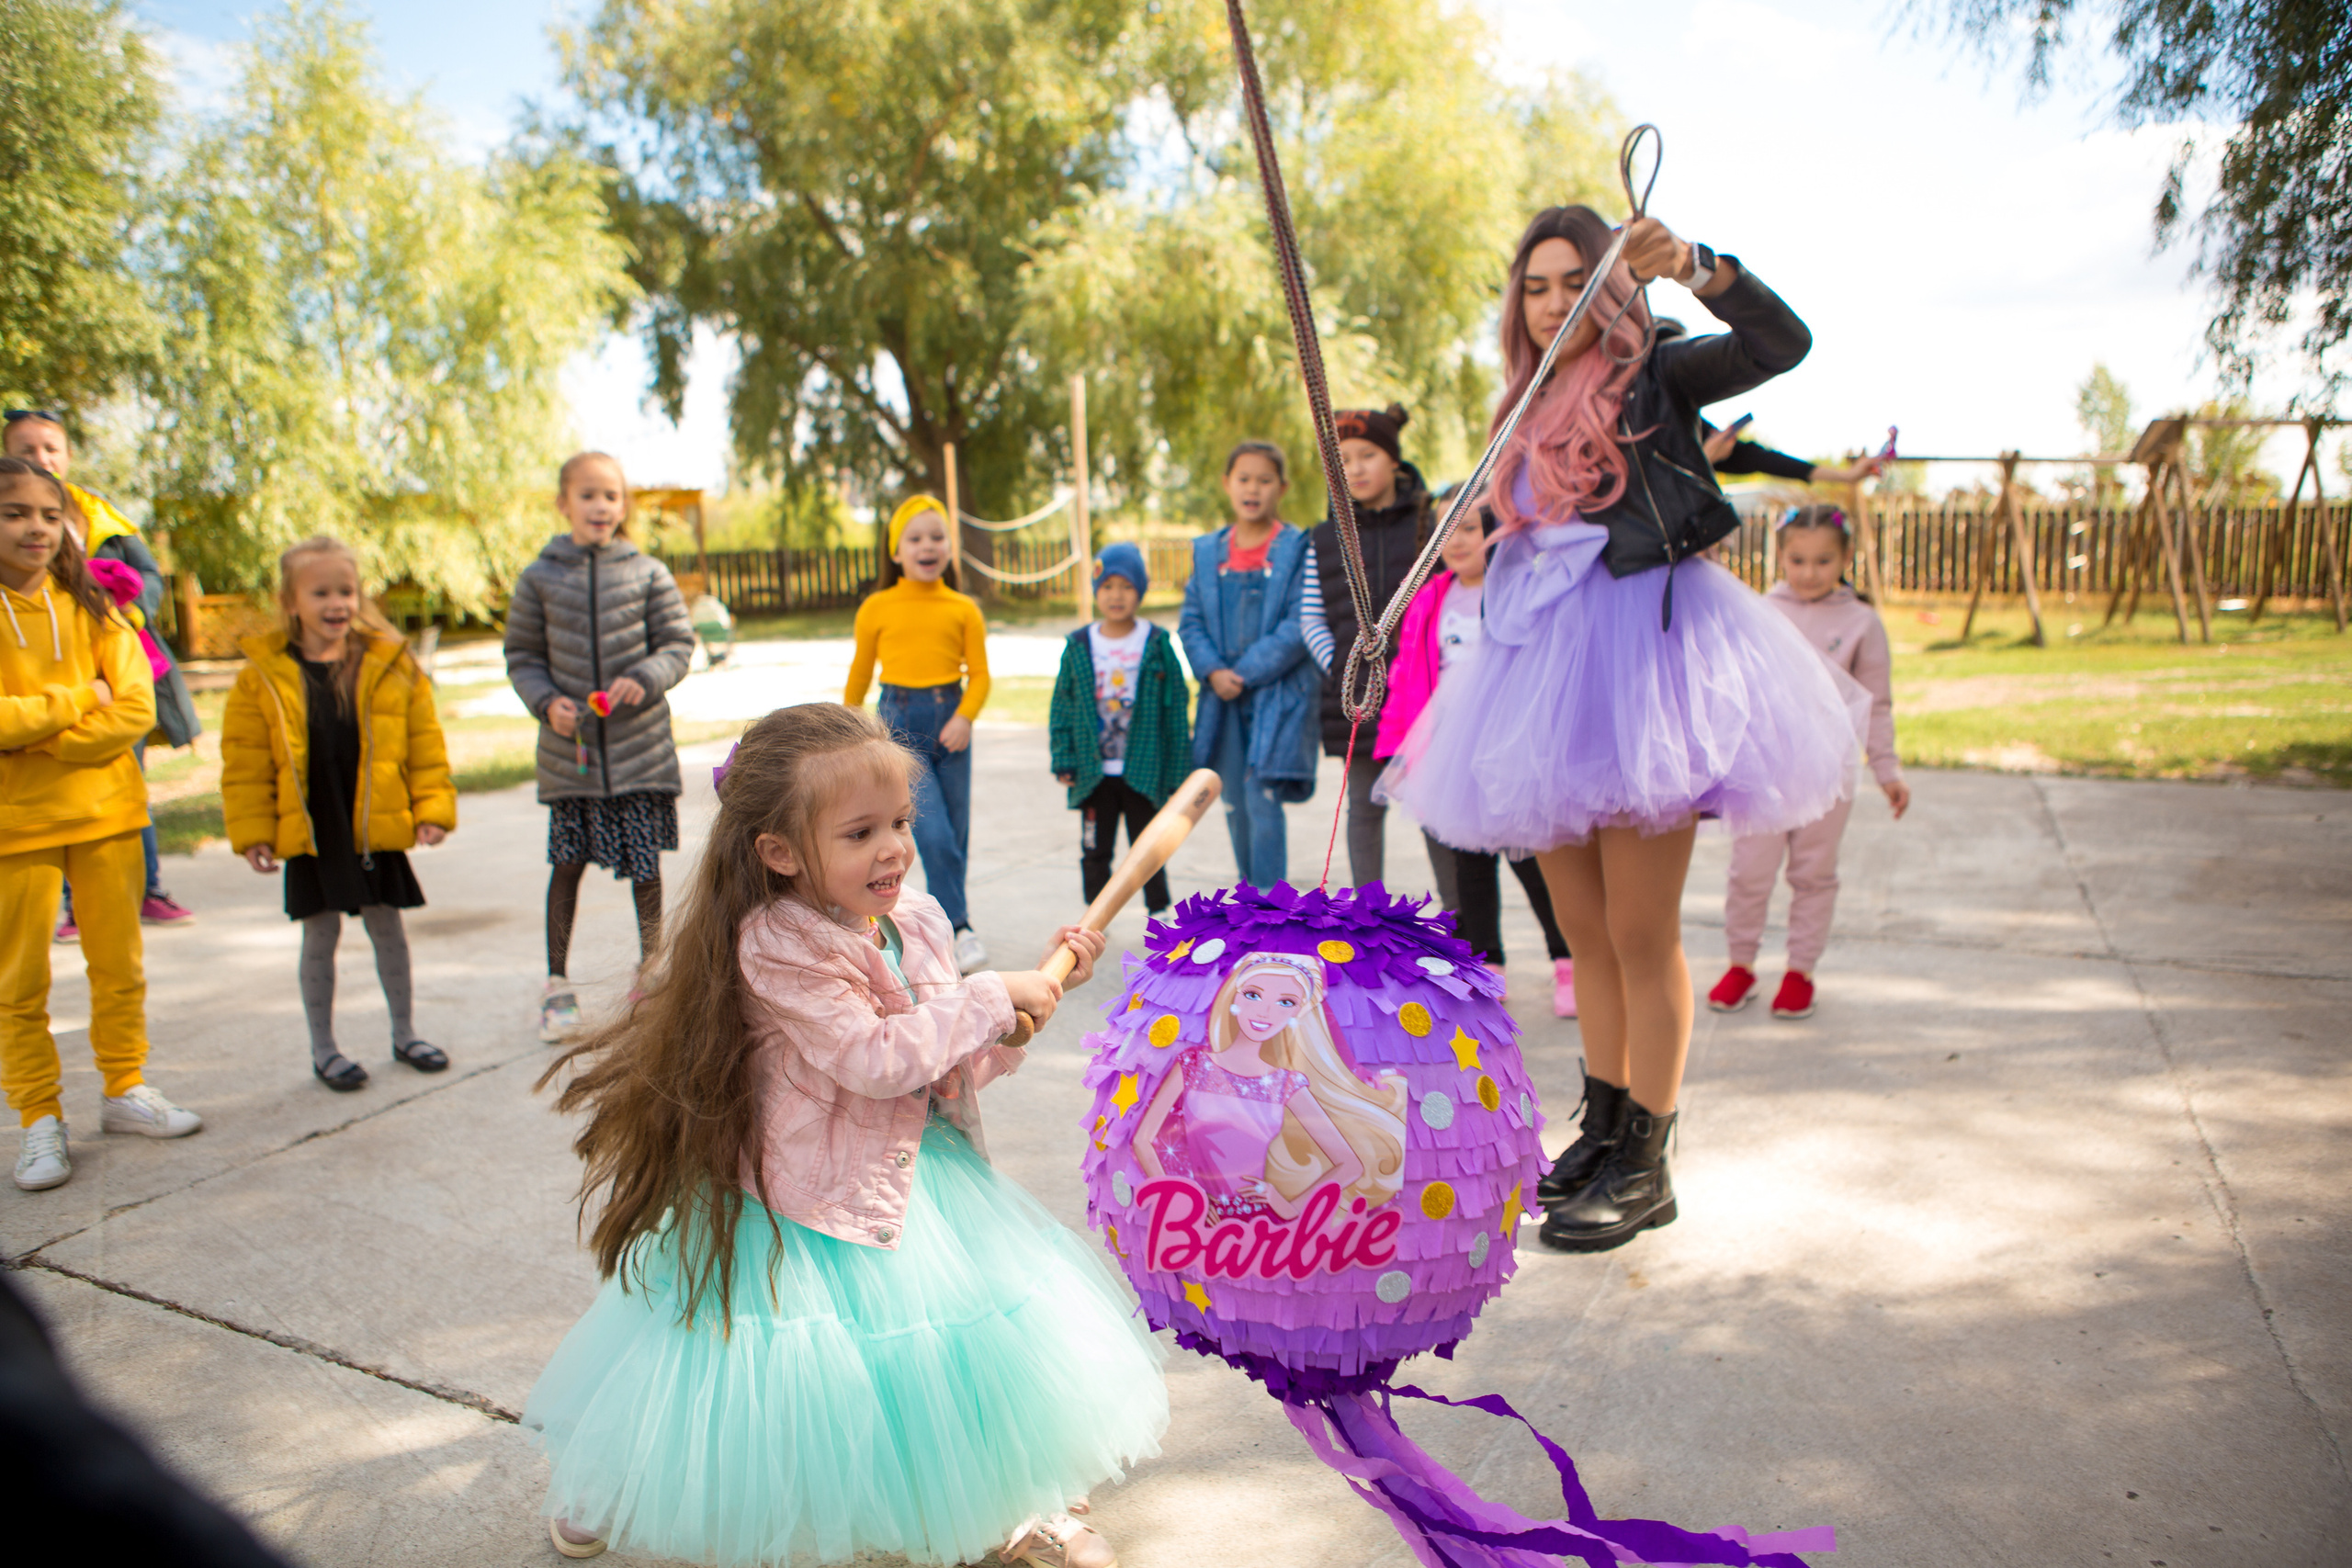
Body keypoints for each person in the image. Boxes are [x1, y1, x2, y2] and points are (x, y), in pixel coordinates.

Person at [523, 703, 1164, 1568]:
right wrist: (986, 997)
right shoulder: (778, 941)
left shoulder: (920, 922)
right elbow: (872, 1057)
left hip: (908, 1172)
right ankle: (624, 1481)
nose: (893, 847)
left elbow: (939, 1065)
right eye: (860, 832)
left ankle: (1010, 1501)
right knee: (735, 1361)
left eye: (900, 821)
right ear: (781, 852)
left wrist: (1012, 1022)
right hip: (801, 1190)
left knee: (958, 1346)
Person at [1376, 207, 1855, 1252]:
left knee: (1641, 933)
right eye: (1535, 286)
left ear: (1611, 288)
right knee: (1584, 932)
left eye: (1572, 282)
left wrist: (1695, 269)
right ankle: (1601, 1123)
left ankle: (1649, 1158)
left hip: (1647, 662)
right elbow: (1518, 530)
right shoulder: (1521, 404)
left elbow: (1782, 346)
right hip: (1538, 670)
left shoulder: (1660, 373)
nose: (1552, 304)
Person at [0, 456, 201, 1193]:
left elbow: (135, 708)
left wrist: (38, 736)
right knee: (19, 983)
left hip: (109, 812)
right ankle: (37, 1118)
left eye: (50, 516)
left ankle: (125, 1087)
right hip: (15, 825)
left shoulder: (98, 605)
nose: (36, 529)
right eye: (16, 513)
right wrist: (76, 700)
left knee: (119, 966)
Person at [221, 536, 458, 1090]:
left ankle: (405, 1034)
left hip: (374, 822)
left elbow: (425, 744)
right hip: (313, 826)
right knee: (320, 936)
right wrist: (254, 832)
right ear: (290, 601)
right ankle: (324, 1049)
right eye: (321, 591)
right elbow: (245, 761)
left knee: (388, 929)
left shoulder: (389, 664)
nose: (337, 602)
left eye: (346, 591)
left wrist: (432, 809)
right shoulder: (262, 676)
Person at [505, 452, 695, 1043]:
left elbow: (677, 644)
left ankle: (653, 973)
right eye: (588, 495)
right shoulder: (539, 578)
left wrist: (646, 676)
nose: (601, 506)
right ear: (564, 503)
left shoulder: (647, 573)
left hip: (640, 753)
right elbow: (523, 656)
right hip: (574, 759)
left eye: (611, 496)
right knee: (567, 868)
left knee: (646, 871)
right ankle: (556, 984)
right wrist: (547, 703)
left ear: (624, 505)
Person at [5, 411, 202, 936]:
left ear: (67, 456)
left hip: (114, 669)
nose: (41, 458)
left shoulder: (102, 516)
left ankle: (147, 888)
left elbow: (148, 577)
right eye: (26, 449)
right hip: (48, 684)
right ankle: (75, 903)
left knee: (123, 779)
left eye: (51, 448)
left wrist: (125, 617)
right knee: (58, 793)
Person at [1710, 505, 1909, 1021]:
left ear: (1845, 558)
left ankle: (1800, 971)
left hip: (1830, 775)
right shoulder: (1759, 610)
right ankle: (1740, 964)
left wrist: (1886, 769)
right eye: (1797, 560)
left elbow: (1877, 702)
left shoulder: (1863, 622)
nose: (1808, 572)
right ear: (1781, 556)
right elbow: (1731, 688)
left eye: (1823, 561)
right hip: (1763, 772)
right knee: (1749, 872)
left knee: (1814, 873)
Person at [1375, 509, 1577, 1016]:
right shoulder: (1430, 598)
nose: (1458, 541)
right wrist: (1403, 745)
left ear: (1499, 535)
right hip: (1450, 742)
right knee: (1469, 862)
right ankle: (1488, 965)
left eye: (1470, 529)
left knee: (1530, 858)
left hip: (1509, 740)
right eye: (1447, 532)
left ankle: (1568, 960)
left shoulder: (1518, 589)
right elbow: (1409, 672)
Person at [1130, 950, 1407, 1221]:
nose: (1264, 1011)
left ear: (1299, 1013)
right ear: (1233, 997)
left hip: (1261, 1221)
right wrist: (1180, 1199)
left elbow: (1349, 1164)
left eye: (1286, 1002)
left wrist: (1288, 1205)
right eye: (1253, 994)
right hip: (1198, 1215)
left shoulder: (1285, 1083)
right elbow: (1143, 1140)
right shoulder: (1193, 1064)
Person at [845, 496, 992, 972]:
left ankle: (943, 922)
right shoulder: (876, 607)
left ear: (949, 546)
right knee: (933, 835)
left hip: (951, 722)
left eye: (937, 537)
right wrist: (848, 733)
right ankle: (961, 926)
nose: (927, 546)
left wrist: (965, 716)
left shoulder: (963, 608)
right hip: (899, 727)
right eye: (915, 538)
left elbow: (982, 677)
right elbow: (860, 678)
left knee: (957, 833)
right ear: (895, 551)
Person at [1299, 405, 1434, 888]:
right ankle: (1368, 914)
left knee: (1436, 809)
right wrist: (1342, 669)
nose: (1354, 468)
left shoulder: (1431, 522)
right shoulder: (1326, 536)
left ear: (1394, 460)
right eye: (1343, 458)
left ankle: (1462, 929)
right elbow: (1311, 616)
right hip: (1359, 692)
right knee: (1363, 805)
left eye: (1367, 455)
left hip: (1423, 693)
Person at [1178, 442, 1319, 888]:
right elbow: (1192, 622)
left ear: (1282, 487)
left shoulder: (1297, 548)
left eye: (1264, 480)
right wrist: (1214, 672)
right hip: (1221, 698)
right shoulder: (1207, 552)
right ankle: (1249, 902)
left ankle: (1271, 909)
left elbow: (1301, 622)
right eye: (1244, 479)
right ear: (1227, 484)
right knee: (1233, 799)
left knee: (1262, 798)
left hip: (1276, 696)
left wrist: (1244, 673)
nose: (1252, 489)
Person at [1049, 543, 1191, 919]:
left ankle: (1159, 909)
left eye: (1126, 586)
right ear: (1096, 591)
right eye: (1107, 586)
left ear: (1140, 592)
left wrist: (1178, 770)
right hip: (1095, 773)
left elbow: (1176, 705)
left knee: (1149, 843)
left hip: (1144, 767)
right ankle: (1096, 913)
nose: (1116, 595)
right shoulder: (1079, 644)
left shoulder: (1156, 641)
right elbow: (1062, 704)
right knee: (1095, 846)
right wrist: (1064, 757)